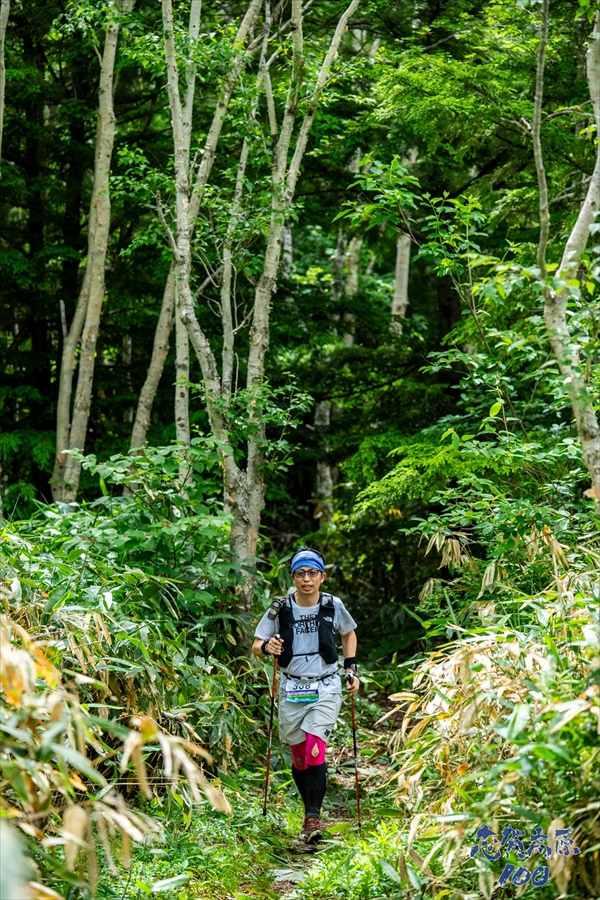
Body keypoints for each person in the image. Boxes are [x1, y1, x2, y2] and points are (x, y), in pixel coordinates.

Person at [252, 548, 359, 843]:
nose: (307, 579)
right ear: (293, 578)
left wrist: (351, 669)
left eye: (312, 573)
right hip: (292, 686)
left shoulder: (332, 605)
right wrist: (267, 648)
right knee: (300, 758)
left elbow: (349, 633)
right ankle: (308, 810)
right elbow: (257, 645)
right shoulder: (280, 608)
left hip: (325, 685)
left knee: (314, 748)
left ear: (322, 576)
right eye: (300, 573)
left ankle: (313, 819)